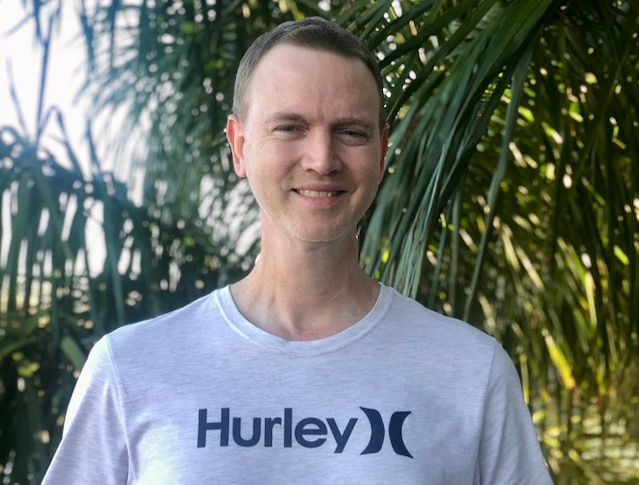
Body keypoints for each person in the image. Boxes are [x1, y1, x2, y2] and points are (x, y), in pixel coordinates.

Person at [42, 17, 553, 484]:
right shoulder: (130, 367)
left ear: (380, 150)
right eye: (290, 127)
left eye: (350, 132)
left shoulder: (471, 371)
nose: (321, 159)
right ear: (239, 146)